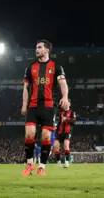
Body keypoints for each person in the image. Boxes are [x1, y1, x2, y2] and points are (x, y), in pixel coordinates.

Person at [21, 40, 69, 176]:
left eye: (39, 47)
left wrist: (64, 97)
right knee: (29, 134)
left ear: (47, 50)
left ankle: (41, 167)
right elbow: (26, 87)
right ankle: (30, 164)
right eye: (36, 47)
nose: (36, 50)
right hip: (33, 105)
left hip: (48, 106)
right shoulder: (31, 67)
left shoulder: (56, 67)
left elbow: (63, 84)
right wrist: (24, 104)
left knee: (46, 137)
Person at [54, 101, 76, 167]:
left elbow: (73, 122)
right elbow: (59, 123)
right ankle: (58, 163)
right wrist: (56, 131)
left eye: (67, 103)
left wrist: (66, 119)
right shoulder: (62, 113)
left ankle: (67, 162)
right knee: (56, 146)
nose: (66, 104)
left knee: (66, 145)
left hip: (67, 132)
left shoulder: (72, 112)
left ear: (69, 104)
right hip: (60, 133)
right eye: (65, 103)